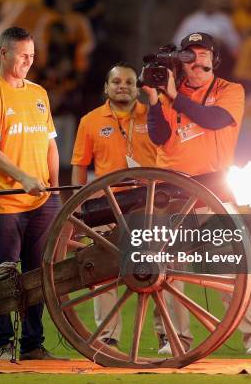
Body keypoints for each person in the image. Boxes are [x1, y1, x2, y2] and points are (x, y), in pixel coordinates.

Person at [144, 32, 251, 356]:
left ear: (214, 60)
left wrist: (175, 97)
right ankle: (175, 340)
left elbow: (213, 120)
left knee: (231, 268)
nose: (197, 61)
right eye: (190, 56)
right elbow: (159, 136)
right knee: (169, 272)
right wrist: (154, 101)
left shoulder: (230, 90)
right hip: (173, 192)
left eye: (203, 55)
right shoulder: (169, 91)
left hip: (213, 192)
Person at [0, 26, 64, 361]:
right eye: (23, 55)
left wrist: (53, 189)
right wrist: (23, 177)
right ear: (3, 52)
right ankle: (1, 344)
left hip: (41, 201)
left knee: (37, 274)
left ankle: (33, 344)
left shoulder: (39, 93)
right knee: (4, 273)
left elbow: (51, 143)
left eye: (32, 56)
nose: (28, 61)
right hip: (5, 201)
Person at [71, 63, 157, 347]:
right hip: (107, 206)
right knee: (104, 273)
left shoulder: (154, 116)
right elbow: (80, 167)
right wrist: (77, 208)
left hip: (149, 204)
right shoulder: (91, 120)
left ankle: (167, 335)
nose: (123, 86)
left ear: (137, 88)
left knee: (161, 270)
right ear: (106, 88)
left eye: (129, 82)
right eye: (116, 81)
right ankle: (108, 337)